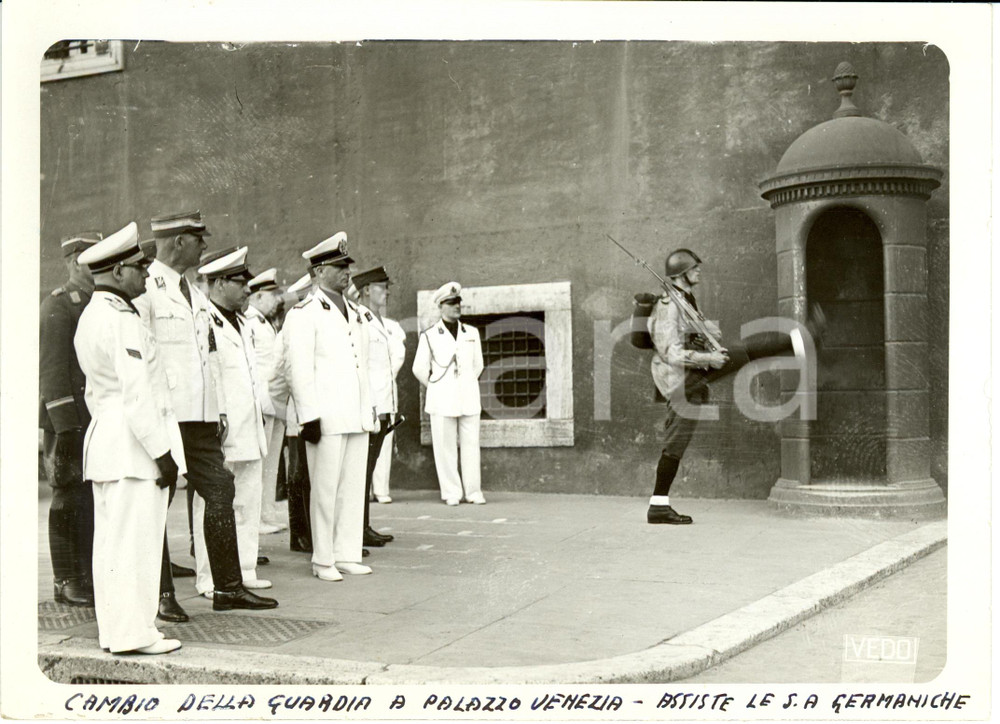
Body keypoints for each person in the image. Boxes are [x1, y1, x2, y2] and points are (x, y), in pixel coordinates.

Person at [133, 210, 277, 611]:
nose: (204, 245)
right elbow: (142, 357)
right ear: (179, 241)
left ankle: (227, 588)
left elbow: (209, 358)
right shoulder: (146, 289)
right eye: (199, 238)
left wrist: (218, 410)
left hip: (199, 417)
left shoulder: (194, 294)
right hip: (165, 413)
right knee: (157, 500)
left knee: (220, 487)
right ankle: (162, 595)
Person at [646, 248, 825, 525]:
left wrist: (707, 332)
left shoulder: (685, 300)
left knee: (738, 355)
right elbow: (670, 352)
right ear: (681, 274)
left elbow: (691, 333)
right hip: (680, 381)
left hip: (690, 378)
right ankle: (657, 507)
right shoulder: (669, 306)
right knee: (675, 442)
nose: (699, 271)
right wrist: (709, 358)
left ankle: (799, 342)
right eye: (694, 268)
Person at [73, 221, 185, 654]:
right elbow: (137, 395)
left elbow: (94, 393)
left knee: (114, 545)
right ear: (118, 272)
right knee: (133, 545)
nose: (144, 274)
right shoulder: (119, 320)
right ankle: (132, 634)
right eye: (139, 266)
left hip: (110, 441)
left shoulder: (94, 315)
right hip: (132, 447)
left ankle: (120, 631)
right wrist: (163, 453)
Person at [284, 233, 376, 581]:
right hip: (325, 416)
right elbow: (300, 368)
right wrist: (308, 416)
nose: (346, 273)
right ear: (319, 272)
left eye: (347, 266)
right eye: (338, 267)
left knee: (352, 488)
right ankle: (323, 559)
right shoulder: (305, 313)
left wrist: (369, 409)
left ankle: (347, 552)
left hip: (354, 413)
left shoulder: (355, 312)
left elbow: (362, 366)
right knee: (325, 490)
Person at [192, 247, 272, 596]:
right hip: (222, 428)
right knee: (213, 503)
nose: (248, 291)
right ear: (219, 282)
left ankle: (244, 568)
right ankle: (210, 576)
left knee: (248, 501)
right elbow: (208, 375)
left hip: (249, 427)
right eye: (241, 283)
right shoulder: (204, 318)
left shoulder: (242, 321)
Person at [39, 231, 101, 607]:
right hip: (67, 420)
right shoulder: (59, 305)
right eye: (92, 257)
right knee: (67, 497)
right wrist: (65, 427)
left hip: (93, 418)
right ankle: (66, 580)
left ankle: (87, 573)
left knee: (88, 498)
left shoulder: (99, 303)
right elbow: (52, 372)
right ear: (73, 261)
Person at [412, 282, 485, 506]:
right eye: (451, 303)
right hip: (442, 399)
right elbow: (419, 368)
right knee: (445, 448)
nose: (457, 307)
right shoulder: (430, 335)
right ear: (441, 306)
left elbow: (478, 365)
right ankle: (451, 492)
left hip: (468, 396)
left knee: (471, 445)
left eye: (458, 302)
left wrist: (465, 382)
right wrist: (436, 385)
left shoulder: (471, 332)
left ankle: (473, 491)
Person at [353, 267, 405, 546]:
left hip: (384, 406)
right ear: (365, 290)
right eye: (381, 286)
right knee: (361, 472)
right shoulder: (359, 318)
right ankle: (357, 529)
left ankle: (363, 526)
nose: (386, 291)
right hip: (370, 407)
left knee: (368, 470)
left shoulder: (379, 321)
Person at [271, 273, 314, 554]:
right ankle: (299, 534)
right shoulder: (296, 320)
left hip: (315, 410)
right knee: (299, 474)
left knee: (310, 475)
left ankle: (310, 533)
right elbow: (280, 369)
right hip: (299, 412)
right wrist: (278, 409)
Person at [244, 268, 287, 535]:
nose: (277, 300)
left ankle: (267, 512)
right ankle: (257, 518)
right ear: (258, 296)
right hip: (261, 402)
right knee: (259, 465)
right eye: (272, 295)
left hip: (274, 401)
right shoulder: (250, 321)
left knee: (271, 464)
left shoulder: (265, 322)